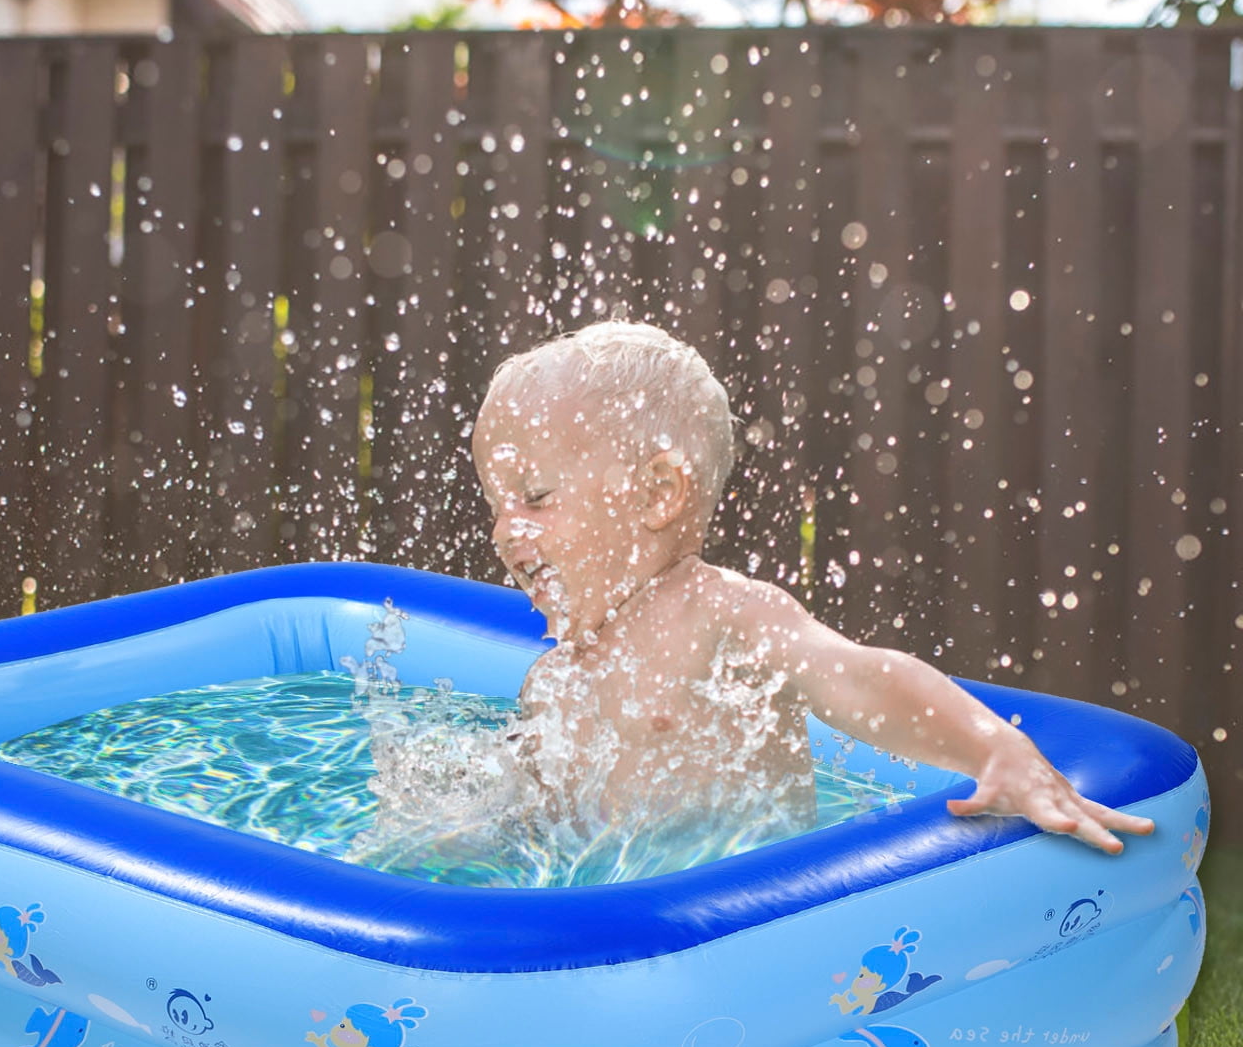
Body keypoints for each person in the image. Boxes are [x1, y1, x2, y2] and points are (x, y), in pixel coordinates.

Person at [469, 321, 1154, 856]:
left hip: (754, 920)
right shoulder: (550, 681)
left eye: (535, 496)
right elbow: (539, 832)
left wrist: (991, 748)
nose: (505, 531)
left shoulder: (719, 613)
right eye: (496, 505)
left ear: (658, 494)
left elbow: (856, 676)